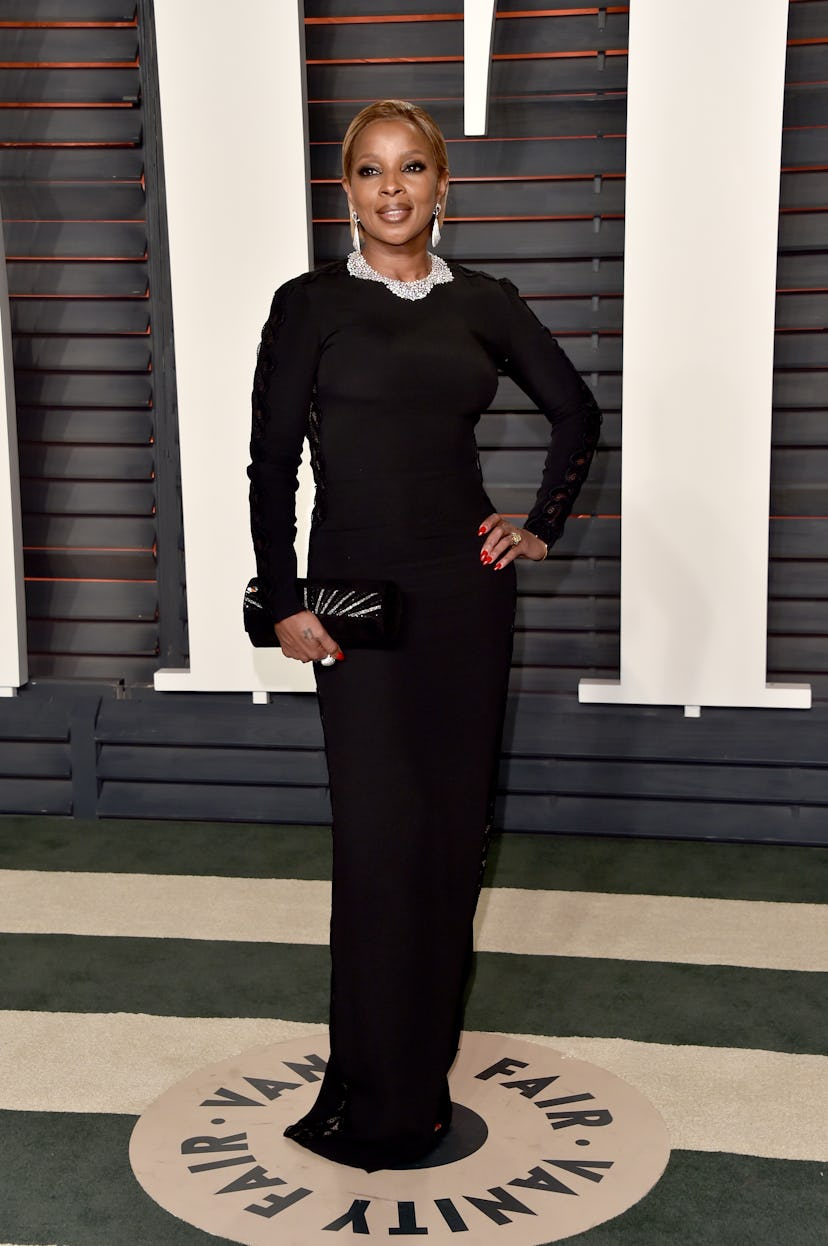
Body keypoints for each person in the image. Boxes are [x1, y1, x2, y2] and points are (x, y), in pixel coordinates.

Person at [248, 99, 601, 1172]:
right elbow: (270, 469)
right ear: (344, 190)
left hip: (465, 598)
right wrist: (285, 602)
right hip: (355, 607)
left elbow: (577, 414)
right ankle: (371, 1078)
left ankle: (421, 1072)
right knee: (378, 839)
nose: (391, 189)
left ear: (443, 186)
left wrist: (535, 527)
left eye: (410, 169)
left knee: (448, 836)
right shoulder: (308, 305)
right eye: (368, 171)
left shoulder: (486, 303)